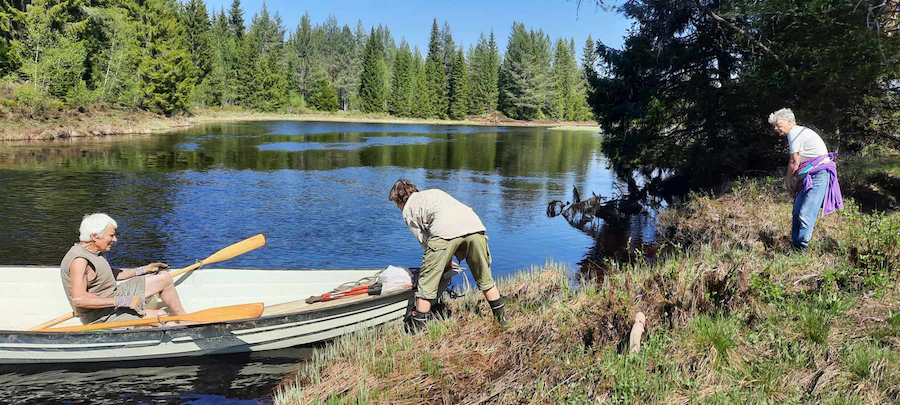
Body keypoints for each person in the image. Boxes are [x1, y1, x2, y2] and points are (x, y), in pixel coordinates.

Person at [389, 179, 507, 332]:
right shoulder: (433, 193)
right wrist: (449, 260)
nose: (397, 207)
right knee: (485, 279)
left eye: (396, 203)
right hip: (475, 226)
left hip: (445, 232)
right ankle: (502, 321)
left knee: (426, 283)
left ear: (400, 199)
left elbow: (427, 243)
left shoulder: (408, 210)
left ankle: (417, 329)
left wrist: (442, 263)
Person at [60, 213, 188, 325]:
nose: (115, 239)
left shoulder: (94, 252)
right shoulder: (79, 261)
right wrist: (123, 301)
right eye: (111, 235)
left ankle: (184, 319)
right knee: (161, 316)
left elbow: (106, 274)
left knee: (164, 278)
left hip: (113, 295)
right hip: (101, 315)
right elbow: (79, 299)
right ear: (95, 236)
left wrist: (144, 269)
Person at [768, 108, 843, 250]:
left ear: (790, 121)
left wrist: (788, 180)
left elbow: (794, 162)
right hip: (809, 176)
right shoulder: (798, 132)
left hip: (819, 175)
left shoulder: (794, 132)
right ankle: (795, 245)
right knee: (797, 211)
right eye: (774, 126)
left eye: (778, 124)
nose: (776, 129)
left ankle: (802, 248)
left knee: (805, 213)